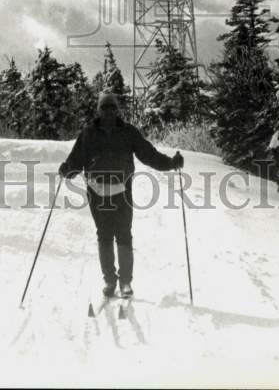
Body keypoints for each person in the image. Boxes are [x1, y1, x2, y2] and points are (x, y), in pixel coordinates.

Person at [58, 91, 184, 298]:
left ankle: (125, 282)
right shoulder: (89, 133)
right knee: (104, 235)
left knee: (124, 234)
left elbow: (148, 154)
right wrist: (67, 169)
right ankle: (110, 280)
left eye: (112, 108)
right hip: (96, 192)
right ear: (99, 111)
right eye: (104, 108)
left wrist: (171, 163)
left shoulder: (128, 132)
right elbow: (77, 159)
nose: (108, 112)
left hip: (122, 190)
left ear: (117, 110)